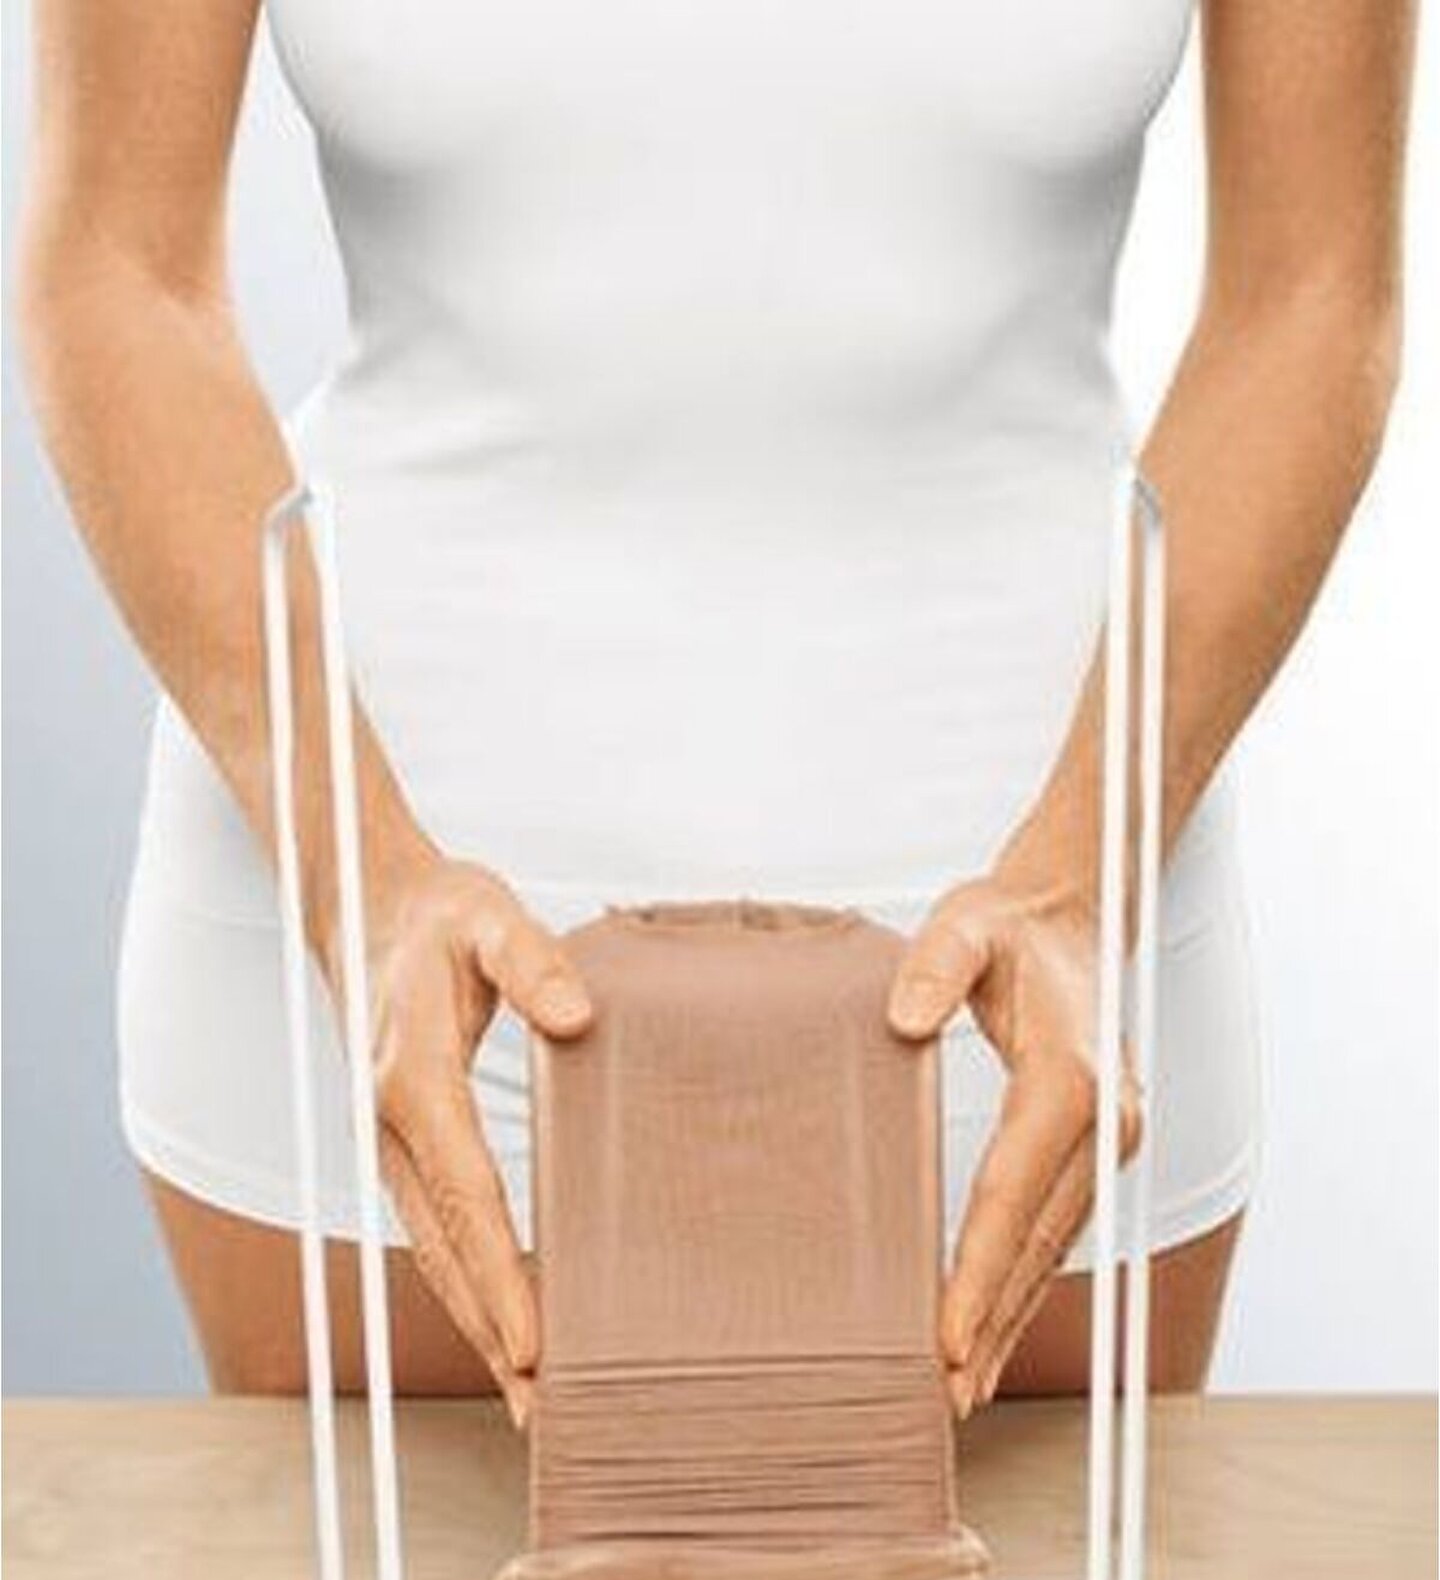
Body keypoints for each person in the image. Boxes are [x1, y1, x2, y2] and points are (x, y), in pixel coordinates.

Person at [18, 0, 1413, 1416]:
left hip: (1044, 970)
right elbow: (116, 269)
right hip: (376, 947)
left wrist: (1085, 884)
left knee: (1070, 1571)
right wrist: (360, 888)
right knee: (332, 1567)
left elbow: (1312, 291)